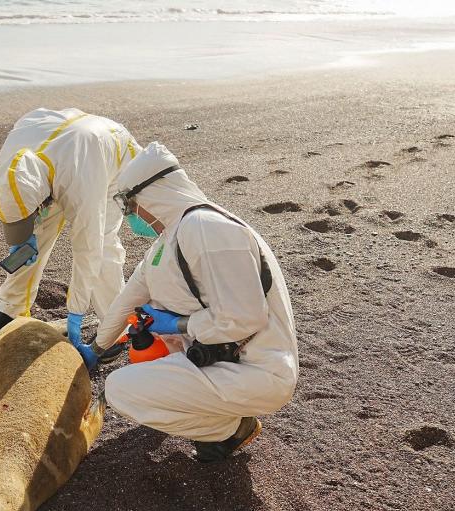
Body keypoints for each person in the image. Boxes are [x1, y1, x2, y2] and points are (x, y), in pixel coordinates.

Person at [79, 142, 299, 462]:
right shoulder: (168, 240)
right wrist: (95, 349)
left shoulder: (208, 229)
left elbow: (244, 318)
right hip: (221, 357)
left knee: (119, 389)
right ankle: (219, 417)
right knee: (147, 352)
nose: (131, 216)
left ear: (152, 194)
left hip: (259, 371)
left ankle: (229, 428)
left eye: (129, 206)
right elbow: (128, 301)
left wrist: (179, 324)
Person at [0, 108, 141, 360]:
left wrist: (75, 311)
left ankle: (114, 327)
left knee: (103, 244)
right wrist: (23, 234)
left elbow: (88, 248)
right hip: (64, 152)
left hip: (108, 160)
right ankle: (11, 307)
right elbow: (19, 198)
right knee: (37, 232)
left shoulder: (81, 181)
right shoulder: (10, 162)